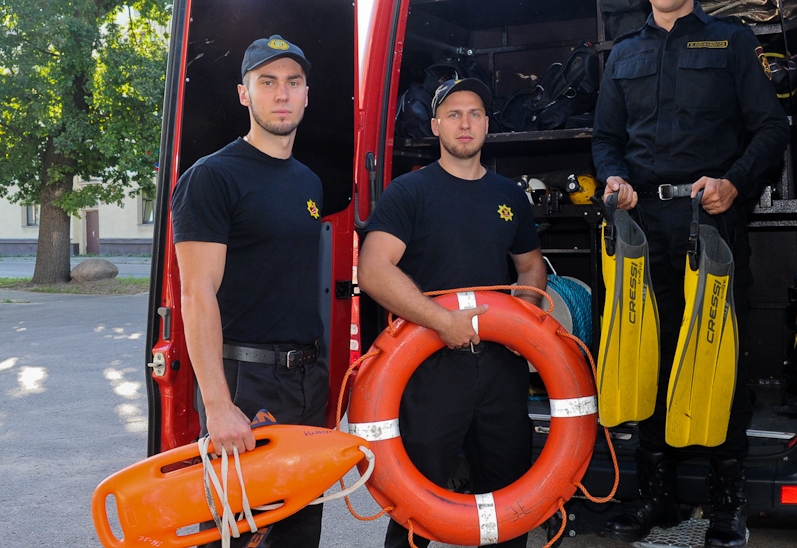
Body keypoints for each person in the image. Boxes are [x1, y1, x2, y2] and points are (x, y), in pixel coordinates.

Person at [592, 0, 790, 548]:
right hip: (644, 229)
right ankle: (659, 497)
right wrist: (615, 179)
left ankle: (727, 503)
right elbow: (606, 140)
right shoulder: (621, 53)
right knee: (649, 353)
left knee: (715, 356)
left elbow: (771, 129)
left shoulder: (732, 44)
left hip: (713, 223)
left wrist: (733, 182)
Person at [358, 77, 547, 548]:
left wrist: (518, 324)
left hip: (501, 368)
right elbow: (375, 270)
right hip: (430, 366)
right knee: (416, 503)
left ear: (487, 124)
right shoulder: (410, 192)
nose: (466, 123)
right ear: (437, 124)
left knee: (507, 498)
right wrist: (443, 323)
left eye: (475, 113)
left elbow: (531, 267)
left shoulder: (508, 195)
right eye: (455, 114)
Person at [172, 35, 328, 547]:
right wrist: (217, 405)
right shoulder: (211, 178)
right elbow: (196, 294)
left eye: (292, 82)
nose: (281, 94)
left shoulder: (308, 182)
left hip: (307, 381)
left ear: (307, 94)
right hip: (246, 383)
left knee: (299, 532)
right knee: (239, 534)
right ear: (244, 94)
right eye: (267, 82)